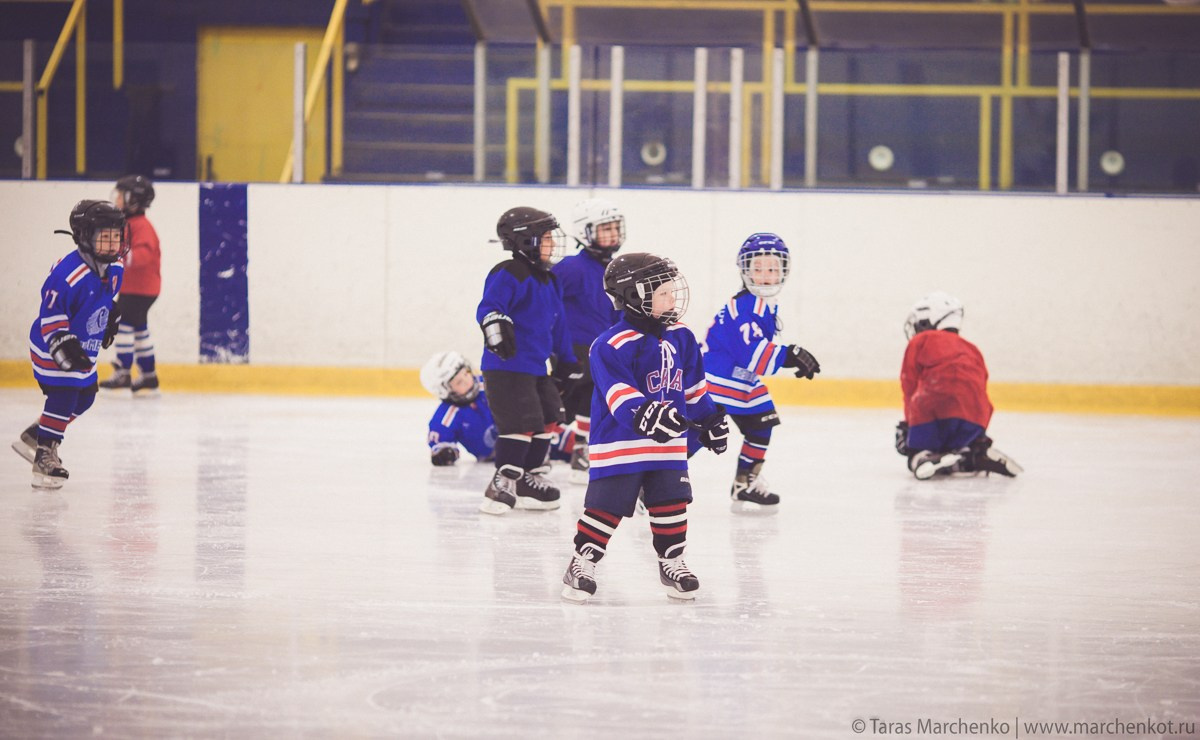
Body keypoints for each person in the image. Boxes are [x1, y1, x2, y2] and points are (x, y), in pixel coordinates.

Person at [561, 253, 730, 603]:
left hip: (668, 447)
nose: (673, 300)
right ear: (634, 297)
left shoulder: (682, 338)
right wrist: (646, 414)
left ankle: (672, 560)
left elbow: (695, 390)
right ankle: (582, 561)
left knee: (671, 501)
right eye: (663, 294)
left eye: (672, 291)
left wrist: (709, 421)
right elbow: (619, 394)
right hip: (620, 445)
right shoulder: (609, 344)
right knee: (606, 506)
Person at [11, 200, 127, 488]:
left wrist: (109, 316)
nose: (112, 243)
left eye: (116, 235)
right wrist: (61, 341)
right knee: (64, 394)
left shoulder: (116, 268)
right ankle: (44, 456)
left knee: (85, 396)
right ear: (84, 235)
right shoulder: (67, 275)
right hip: (51, 343)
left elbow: (103, 297)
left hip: (83, 344)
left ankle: (36, 435)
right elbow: (50, 314)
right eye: (104, 235)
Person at [700, 233, 821, 512]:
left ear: (783, 271)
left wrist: (788, 357)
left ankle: (745, 483)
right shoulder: (744, 307)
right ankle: (654, 486)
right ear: (745, 270)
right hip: (716, 380)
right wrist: (790, 355)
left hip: (741, 380)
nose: (765, 276)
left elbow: (755, 354)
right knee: (698, 437)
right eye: (758, 269)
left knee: (762, 424)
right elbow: (751, 353)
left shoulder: (762, 305)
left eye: (772, 269)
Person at [475, 207, 583, 514]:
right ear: (525, 242)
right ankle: (503, 481)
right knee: (520, 423)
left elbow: (559, 324)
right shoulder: (508, 272)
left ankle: (528, 480)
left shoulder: (551, 281)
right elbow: (489, 305)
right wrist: (496, 324)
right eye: (546, 237)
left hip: (537, 368)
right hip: (506, 367)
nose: (553, 243)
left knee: (548, 418)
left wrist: (567, 360)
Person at [895, 291, 1023, 479]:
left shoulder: (921, 341)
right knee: (962, 444)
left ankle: (924, 458)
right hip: (976, 415)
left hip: (934, 407)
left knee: (915, 453)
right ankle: (975, 454)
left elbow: (910, 385)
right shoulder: (971, 348)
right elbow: (978, 387)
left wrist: (909, 426)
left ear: (930, 318)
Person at [552, 197, 625, 484]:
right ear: (585, 232)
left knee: (593, 401)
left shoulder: (618, 268)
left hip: (599, 351)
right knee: (558, 405)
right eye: (604, 229)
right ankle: (533, 448)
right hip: (570, 351)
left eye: (615, 228)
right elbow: (545, 298)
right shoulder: (570, 267)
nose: (612, 234)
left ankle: (581, 450)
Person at [421, 350, 579, 468]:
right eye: (459, 382)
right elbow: (440, 440)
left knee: (567, 441)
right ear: (445, 391)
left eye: (466, 374)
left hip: (528, 434)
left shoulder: (489, 384)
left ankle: (585, 449)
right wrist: (444, 452)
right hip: (501, 459)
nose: (468, 381)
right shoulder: (448, 414)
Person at [99, 174, 161, 396]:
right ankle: (149, 376)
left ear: (133, 200)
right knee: (139, 330)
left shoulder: (141, 226)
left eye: (121, 196)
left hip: (140, 289)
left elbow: (142, 255)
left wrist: (118, 256)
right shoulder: (130, 224)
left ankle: (123, 371)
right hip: (138, 289)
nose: (117, 200)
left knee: (123, 325)